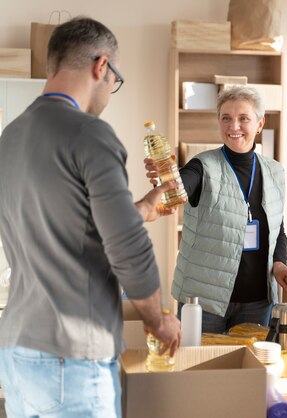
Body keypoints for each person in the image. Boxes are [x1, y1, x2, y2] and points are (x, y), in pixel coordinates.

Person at [0, 17, 181, 418]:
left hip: (16, 353)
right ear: (102, 66)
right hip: (71, 357)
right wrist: (158, 320)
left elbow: (67, 224)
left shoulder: (10, 137)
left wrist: (146, 208)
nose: (110, 92)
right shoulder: (90, 134)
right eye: (115, 79)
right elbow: (127, 248)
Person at [145, 85, 287, 334]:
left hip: (258, 302)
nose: (234, 126)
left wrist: (279, 264)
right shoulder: (203, 165)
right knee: (200, 371)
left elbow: (277, 227)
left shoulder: (275, 171)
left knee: (248, 371)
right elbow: (182, 185)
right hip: (204, 303)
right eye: (226, 118)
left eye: (243, 118)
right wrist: (164, 181)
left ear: (260, 124)